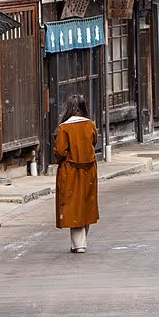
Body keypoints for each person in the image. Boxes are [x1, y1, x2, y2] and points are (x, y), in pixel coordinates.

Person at [53, 94, 100, 253]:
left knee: (73, 204)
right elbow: (94, 142)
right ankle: (79, 241)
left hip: (70, 170)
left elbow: (60, 150)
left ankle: (79, 244)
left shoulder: (64, 128)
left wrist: (64, 157)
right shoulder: (90, 125)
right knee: (86, 202)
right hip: (89, 169)